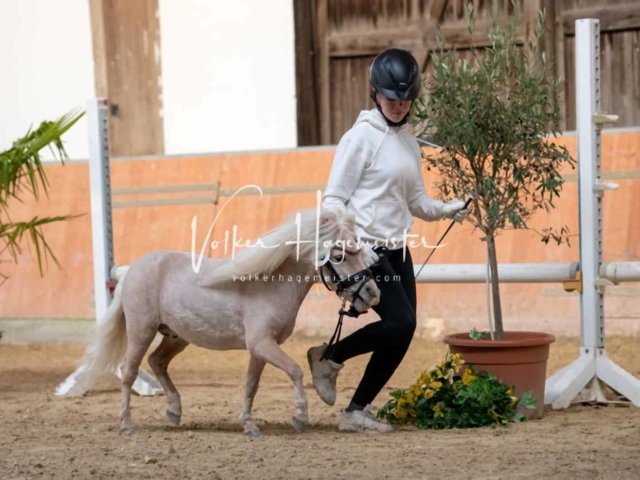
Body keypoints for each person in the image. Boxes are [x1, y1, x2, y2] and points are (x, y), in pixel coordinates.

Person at [307, 48, 470, 433]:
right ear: (376, 94)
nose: (399, 106)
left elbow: (415, 202)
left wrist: (448, 208)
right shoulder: (359, 138)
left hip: (398, 250)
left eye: (405, 99)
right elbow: (333, 200)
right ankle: (329, 356)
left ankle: (355, 412)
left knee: (405, 328)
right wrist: (352, 245)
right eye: (392, 98)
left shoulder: (408, 141)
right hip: (366, 251)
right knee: (401, 322)